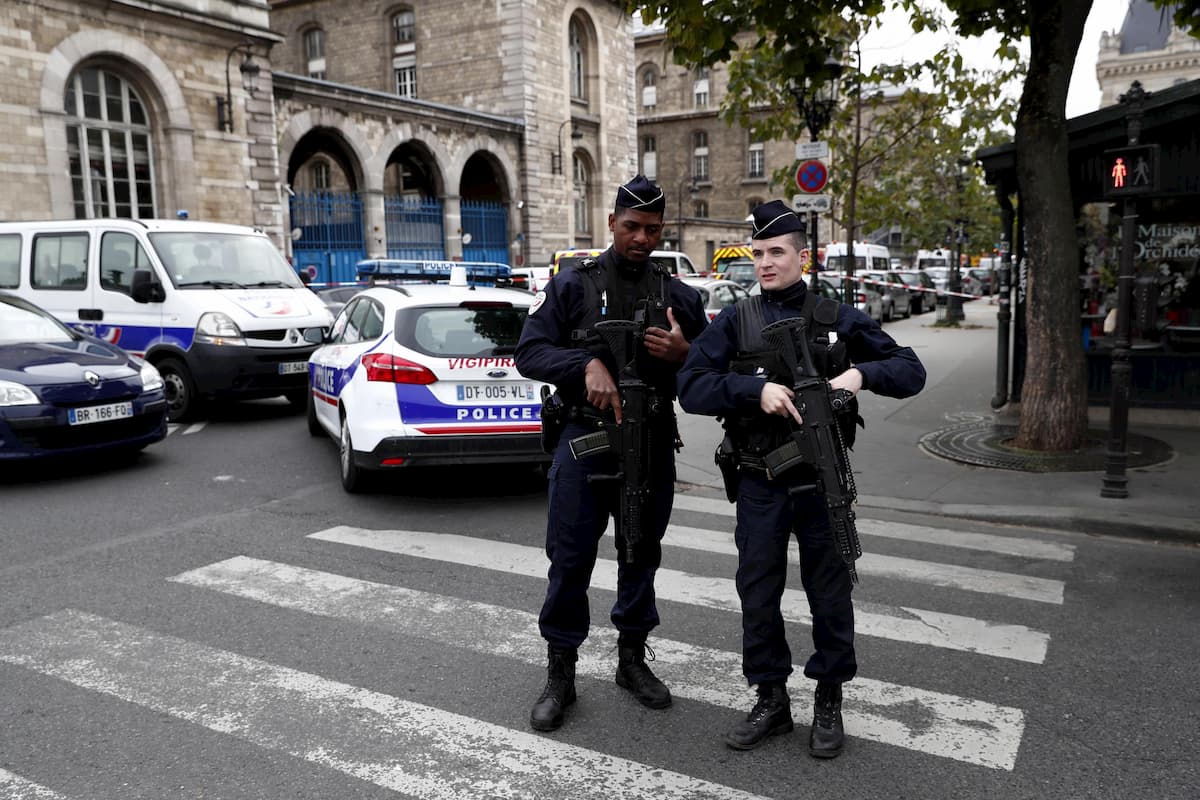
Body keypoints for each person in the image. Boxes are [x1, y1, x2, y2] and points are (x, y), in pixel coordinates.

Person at [676, 200, 926, 758]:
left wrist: (860, 374)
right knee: (758, 592)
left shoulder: (839, 319)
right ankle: (771, 698)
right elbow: (691, 386)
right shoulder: (735, 321)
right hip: (761, 480)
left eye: (776, 253)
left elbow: (911, 370)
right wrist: (752, 391)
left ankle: (830, 698)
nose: (765, 264)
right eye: (758, 253)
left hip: (821, 481)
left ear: (802, 257)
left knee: (830, 593)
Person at [514, 175, 707, 732]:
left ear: (662, 229)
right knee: (570, 559)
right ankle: (561, 674)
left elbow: (716, 369)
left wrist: (684, 351)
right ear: (611, 224)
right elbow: (529, 350)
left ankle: (630, 661)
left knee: (640, 554)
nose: (641, 238)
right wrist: (585, 366)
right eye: (631, 227)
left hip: (649, 444)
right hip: (586, 439)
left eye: (651, 229)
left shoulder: (679, 296)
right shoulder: (573, 285)